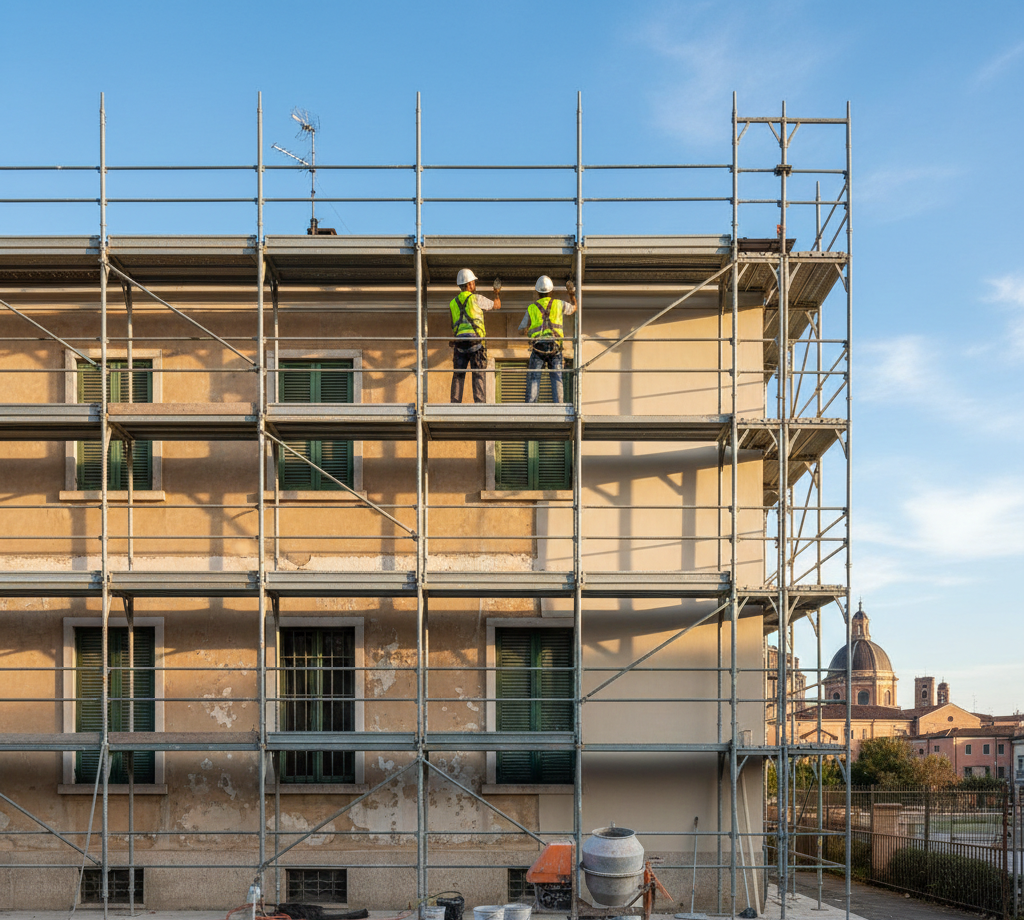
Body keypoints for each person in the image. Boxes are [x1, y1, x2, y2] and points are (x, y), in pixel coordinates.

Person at [518, 275, 576, 403]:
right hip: (555, 347)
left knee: (534, 378)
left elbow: (521, 329)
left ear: (537, 292)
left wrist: (528, 331)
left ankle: (531, 406)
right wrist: (571, 295)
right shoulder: (559, 304)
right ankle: (559, 405)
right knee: (557, 378)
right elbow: (573, 308)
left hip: (538, 346)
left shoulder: (532, 308)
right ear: (551, 291)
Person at [449, 268, 501, 403]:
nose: (474, 284)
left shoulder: (452, 303)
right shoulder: (477, 298)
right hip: (475, 342)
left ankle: (454, 404)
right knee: (478, 374)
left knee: (458, 375)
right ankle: (479, 403)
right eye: (473, 282)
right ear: (470, 284)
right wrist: (496, 293)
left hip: (459, 342)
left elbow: (453, 323)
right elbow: (496, 306)